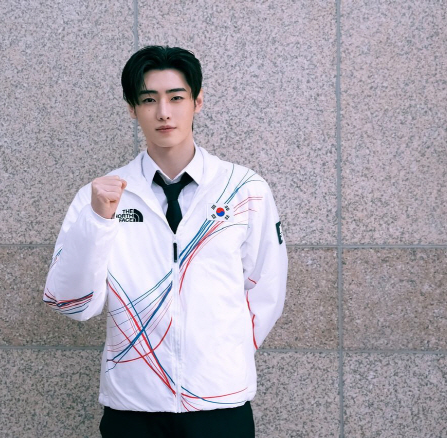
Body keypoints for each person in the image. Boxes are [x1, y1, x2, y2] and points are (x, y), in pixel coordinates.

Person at [43, 45, 288, 438]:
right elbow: (73, 304)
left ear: (197, 102)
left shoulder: (245, 189)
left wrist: (223, 359)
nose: (163, 112)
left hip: (220, 404)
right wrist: (98, 221)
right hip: (133, 406)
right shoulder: (101, 197)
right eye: (148, 100)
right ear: (132, 109)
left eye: (176, 98)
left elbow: (267, 288)